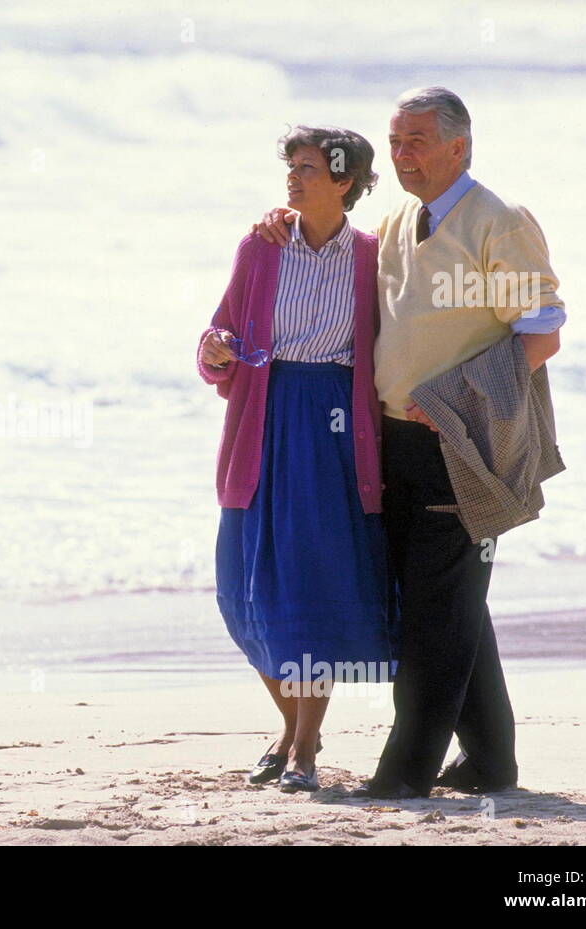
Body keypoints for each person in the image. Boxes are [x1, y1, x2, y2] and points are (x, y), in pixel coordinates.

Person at [253, 87, 566, 797]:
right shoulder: (395, 218)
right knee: (448, 600)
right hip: (391, 443)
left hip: (465, 441)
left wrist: (455, 395)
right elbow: (335, 256)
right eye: (395, 141)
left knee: (436, 612)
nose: (402, 154)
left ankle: (404, 773)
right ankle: (489, 761)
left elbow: (542, 331)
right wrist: (285, 219)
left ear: (460, 146)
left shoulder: (499, 221)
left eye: (418, 140)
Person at [197, 125, 397, 794]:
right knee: (242, 590)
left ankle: (305, 746)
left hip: (335, 432)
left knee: (313, 589)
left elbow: (400, 346)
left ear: (345, 181)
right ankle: (291, 729)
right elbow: (217, 332)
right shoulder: (261, 247)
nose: (293, 178)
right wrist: (219, 346)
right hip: (260, 422)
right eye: (291, 166)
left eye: (308, 168)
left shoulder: (375, 257)